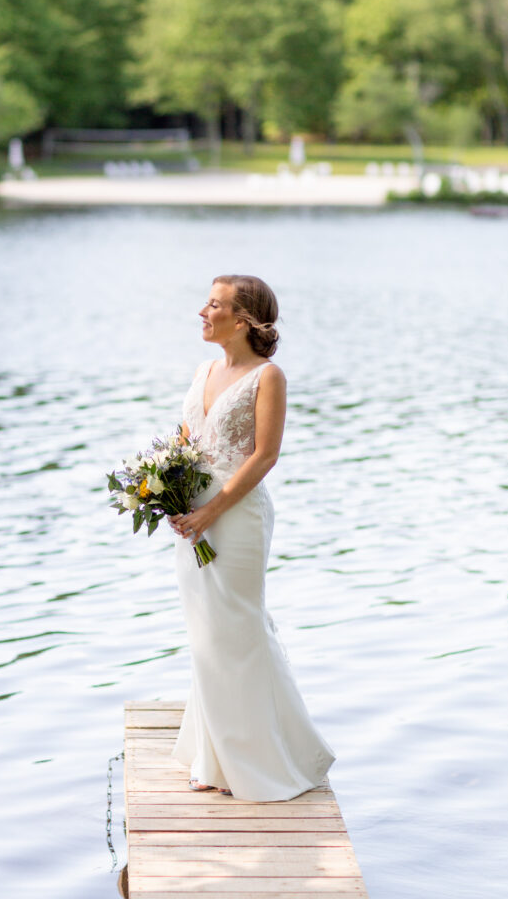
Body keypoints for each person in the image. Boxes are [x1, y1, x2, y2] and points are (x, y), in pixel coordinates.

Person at [168, 274, 335, 801]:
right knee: (205, 632)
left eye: (213, 305)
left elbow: (264, 455)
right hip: (190, 514)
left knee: (237, 629)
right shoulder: (204, 370)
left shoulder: (269, 377)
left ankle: (256, 758)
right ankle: (210, 753)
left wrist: (212, 509)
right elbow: (184, 440)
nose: (202, 311)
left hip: (236, 518)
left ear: (241, 321)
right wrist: (166, 491)